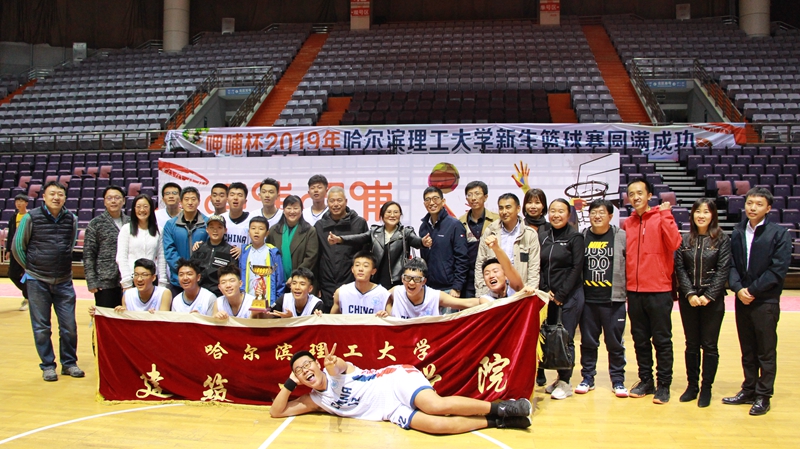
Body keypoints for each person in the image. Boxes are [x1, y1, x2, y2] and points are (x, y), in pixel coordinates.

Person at [270, 345, 532, 432]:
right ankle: (499, 422)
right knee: (437, 426)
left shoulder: (333, 369)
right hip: (388, 410)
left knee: (435, 406)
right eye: (299, 371)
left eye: (307, 364)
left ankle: (503, 407)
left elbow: (337, 366)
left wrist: (332, 363)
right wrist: (291, 382)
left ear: (317, 364)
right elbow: (277, 412)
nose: (305, 370)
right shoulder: (315, 400)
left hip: (394, 380)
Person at [723, 187, 792, 416]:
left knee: (765, 351)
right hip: (742, 299)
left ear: (768, 208)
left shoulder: (779, 234)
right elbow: (732, 264)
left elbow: (778, 269)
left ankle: (764, 395)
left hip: (765, 300)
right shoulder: (738, 230)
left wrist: (751, 290)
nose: (752, 208)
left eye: (759, 204)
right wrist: (738, 288)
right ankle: (749, 389)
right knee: (748, 349)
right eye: (750, 203)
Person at [11, 181, 83, 381]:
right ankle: (48, 366)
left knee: (69, 327)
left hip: (64, 281)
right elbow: (18, 247)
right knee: (42, 328)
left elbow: (69, 246)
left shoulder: (72, 219)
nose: (56, 197)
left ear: (65, 198)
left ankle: (69, 363)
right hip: (37, 281)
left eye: (60, 194)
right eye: (52, 193)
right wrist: (32, 269)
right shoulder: (30, 217)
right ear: (43, 196)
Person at [623, 178, 681, 404]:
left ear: (649, 195)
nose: (635, 197)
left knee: (662, 340)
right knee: (640, 340)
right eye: (631, 194)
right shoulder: (628, 223)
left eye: (639, 193)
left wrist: (666, 215)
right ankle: (646, 380)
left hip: (659, 290)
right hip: (634, 291)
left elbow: (675, 243)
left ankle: (664, 384)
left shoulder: (661, 217)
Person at [674, 198, 731, 407]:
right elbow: (680, 268)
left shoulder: (722, 239)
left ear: (713, 215)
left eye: (706, 211)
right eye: (698, 211)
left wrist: (708, 295)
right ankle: (692, 386)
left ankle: (706, 388)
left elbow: (723, 269)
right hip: (688, 299)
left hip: (712, 300)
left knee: (709, 345)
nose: (701, 215)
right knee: (691, 344)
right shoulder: (684, 239)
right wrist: (689, 293)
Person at [578, 199, 629, 398]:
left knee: (615, 343)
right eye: (593, 212)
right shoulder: (582, 236)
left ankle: (618, 380)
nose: (597, 216)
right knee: (588, 343)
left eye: (601, 212)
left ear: (610, 216)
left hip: (613, 301)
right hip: (588, 301)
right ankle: (587, 378)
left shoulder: (621, 236)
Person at [539, 199, 585, 400]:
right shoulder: (544, 236)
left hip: (569, 296)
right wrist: (545, 290)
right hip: (548, 297)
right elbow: (540, 266)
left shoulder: (575, 237)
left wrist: (561, 295)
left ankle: (566, 381)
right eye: (553, 211)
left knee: (566, 338)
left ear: (568, 214)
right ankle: (559, 378)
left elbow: (577, 268)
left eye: (561, 211)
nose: (556, 215)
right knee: (553, 337)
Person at [329, 201, 425, 290]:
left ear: (400, 215)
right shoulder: (374, 232)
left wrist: (423, 242)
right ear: (382, 215)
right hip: (376, 280)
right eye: (389, 212)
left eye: (396, 212)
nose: (392, 215)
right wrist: (340, 239)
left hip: (398, 281)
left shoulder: (406, 232)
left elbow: (416, 241)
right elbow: (359, 238)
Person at [474, 193, 540, 297]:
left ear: (518, 209)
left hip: (520, 292)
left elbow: (534, 268)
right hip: (493, 292)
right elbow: (480, 263)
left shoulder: (529, 234)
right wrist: (481, 293)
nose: (504, 212)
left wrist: (530, 294)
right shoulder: (490, 231)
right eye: (501, 208)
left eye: (508, 207)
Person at [379, 258, 491, 319]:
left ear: (424, 281)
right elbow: (379, 298)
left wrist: (489, 302)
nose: (411, 283)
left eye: (417, 279)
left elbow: (465, 303)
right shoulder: (397, 291)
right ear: (402, 279)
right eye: (407, 278)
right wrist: (389, 313)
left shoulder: (434, 296)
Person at [317, 187, 369, 311]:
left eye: (339, 200)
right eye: (332, 201)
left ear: (346, 202)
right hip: (327, 284)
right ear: (327, 202)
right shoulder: (320, 225)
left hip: (353, 282)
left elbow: (366, 254)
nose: (336, 204)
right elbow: (317, 256)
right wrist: (317, 285)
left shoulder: (359, 223)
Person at [418, 187, 468, 303]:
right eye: (428, 200)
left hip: (449, 288)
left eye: (435, 198)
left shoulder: (454, 225)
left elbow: (462, 258)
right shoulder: (423, 227)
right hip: (429, 288)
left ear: (443, 201)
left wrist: (457, 287)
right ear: (424, 203)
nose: (431, 203)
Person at [83, 185, 130, 309]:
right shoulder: (95, 223)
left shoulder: (131, 222)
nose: (113, 201)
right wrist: (91, 281)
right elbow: (89, 254)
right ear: (104, 201)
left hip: (128, 279)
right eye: (109, 198)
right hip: (104, 281)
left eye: (117, 198)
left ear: (124, 200)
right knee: (106, 316)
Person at [116, 194, 168, 292]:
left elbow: (162, 258)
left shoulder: (159, 230)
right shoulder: (126, 229)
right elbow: (121, 257)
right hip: (132, 279)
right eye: (138, 207)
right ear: (134, 209)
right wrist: (127, 282)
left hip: (152, 279)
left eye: (145, 206)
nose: (142, 210)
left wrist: (162, 281)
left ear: (151, 209)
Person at [163, 186, 208, 297]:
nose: (190, 202)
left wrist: (196, 273)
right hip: (178, 280)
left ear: (199, 202)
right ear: (181, 202)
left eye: (193, 199)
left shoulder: (208, 223)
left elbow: (211, 248)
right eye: (186, 199)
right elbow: (169, 251)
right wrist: (184, 272)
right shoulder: (170, 225)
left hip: (202, 280)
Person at [458, 181, 499, 298]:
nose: (473, 198)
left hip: (492, 276)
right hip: (468, 278)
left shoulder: (497, 220)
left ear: (485, 197)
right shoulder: (460, 222)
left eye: (477, 194)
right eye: (469, 195)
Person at [267, 195, 319, 285]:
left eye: (295, 208)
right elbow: (268, 254)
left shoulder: (310, 231)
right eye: (289, 208)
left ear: (301, 210)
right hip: (277, 281)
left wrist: (295, 276)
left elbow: (311, 258)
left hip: (301, 281)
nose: (292, 211)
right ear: (283, 210)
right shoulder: (274, 230)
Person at [239, 216, 285, 305]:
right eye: (253, 228)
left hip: (268, 300)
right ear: (248, 232)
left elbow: (280, 281)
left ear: (267, 233)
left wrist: (275, 304)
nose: (256, 232)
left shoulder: (273, 253)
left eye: (261, 229)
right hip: (247, 299)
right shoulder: (244, 252)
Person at [190, 214, 236, 296]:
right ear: (207, 230)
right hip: (198, 293)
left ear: (225, 230)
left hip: (220, 294)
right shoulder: (199, 248)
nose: (215, 230)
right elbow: (191, 270)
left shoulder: (231, 251)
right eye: (212, 227)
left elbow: (233, 276)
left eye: (219, 227)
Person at [5, 193, 30, 311]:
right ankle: (29, 293)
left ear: (26, 203)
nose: (18, 203)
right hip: (15, 249)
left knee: (27, 274)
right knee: (12, 274)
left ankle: (27, 298)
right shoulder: (13, 217)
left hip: (27, 251)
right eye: (17, 201)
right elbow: (10, 234)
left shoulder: (30, 216)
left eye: (21, 201)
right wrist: (8, 249)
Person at [221, 182, 251, 250]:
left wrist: (243, 251)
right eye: (232, 194)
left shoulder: (252, 220)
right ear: (227, 199)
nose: (235, 198)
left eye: (240, 195)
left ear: (245, 201)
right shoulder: (221, 219)